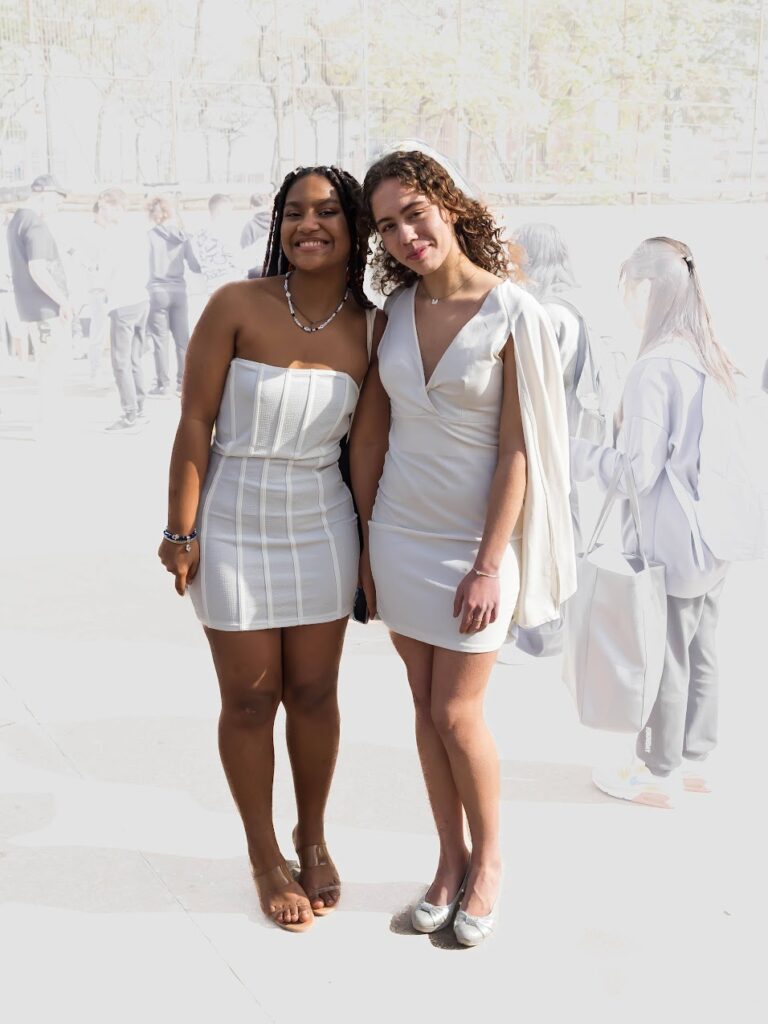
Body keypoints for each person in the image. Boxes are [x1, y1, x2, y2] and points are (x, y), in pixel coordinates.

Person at [351, 151, 575, 946]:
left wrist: (488, 564)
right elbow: (370, 436)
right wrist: (366, 546)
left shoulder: (515, 312)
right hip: (399, 534)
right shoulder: (392, 312)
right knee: (422, 707)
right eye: (388, 226)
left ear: (447, 204)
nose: (406, 235)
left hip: (475, 544)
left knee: (456, 711)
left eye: (415, 213)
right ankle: (448, 861)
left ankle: (491, 865)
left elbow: (519, 449)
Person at [157, 166, 381, 933]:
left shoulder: (374, 326)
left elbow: (366, 451)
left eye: (328, 211)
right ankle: (263, 855)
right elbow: (195, 423)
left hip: (322, 523)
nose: (307, 224)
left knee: (315, 693)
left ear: (355, 226)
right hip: (231, 523)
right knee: (250, 699)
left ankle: (311, 837)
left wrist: (371, 549)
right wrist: (180, 529)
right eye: (293, 212)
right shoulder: (235, 304)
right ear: (278, 224)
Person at [570, 237, 740, 808]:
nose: (625, 300)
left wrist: (575, 454)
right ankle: (694, 763)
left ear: (646, 287)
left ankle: (656, 771)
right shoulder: (706, 352)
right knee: (701, 650)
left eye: (626, 286)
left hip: (669, 537)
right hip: (712, 534)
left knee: (661, 654)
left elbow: (635, 472)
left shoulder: (655, 366)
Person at [6, 174, 71, 435]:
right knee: (51, 366)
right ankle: (48, 422)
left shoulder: (17, 221)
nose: (57, 208)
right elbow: (38, 268)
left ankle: (50, 419)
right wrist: (63, 301)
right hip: (46, 309)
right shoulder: (35, 225)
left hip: (31, 306)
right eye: (57, 202)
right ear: (46, 195)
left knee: (48, 365)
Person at [96, 189, 151, 432]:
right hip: (141, 299)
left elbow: (105, 273)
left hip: (122, 302)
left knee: (120, 361)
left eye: (104, 207)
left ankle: (130, 414)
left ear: (116, 207)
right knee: (134, 359)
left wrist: (97, 285)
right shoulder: (138, 231)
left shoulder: (114, 235)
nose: (102, 212)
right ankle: (139, 408)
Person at [145, 195, 200, 397]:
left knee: (160, 341)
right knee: (182, 340)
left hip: (157, 291)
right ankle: (182, 384)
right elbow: (195, 266)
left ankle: (163, 385)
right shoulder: (182, 236)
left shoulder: (149, 236)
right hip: (179, 291)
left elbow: (142, 266)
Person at [192, 193, 242, 295]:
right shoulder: (229, 233)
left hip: (210, 289)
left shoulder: (197, 235)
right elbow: (238, 262)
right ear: (221, 211)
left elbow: (195, 264)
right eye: (230, 211)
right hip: (230, 288)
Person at [240, 191, 273, 279]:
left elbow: (245, 254)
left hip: (257, 273)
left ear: (252, 206)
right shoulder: (279, 223)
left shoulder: (250, 226)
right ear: (268, 205)